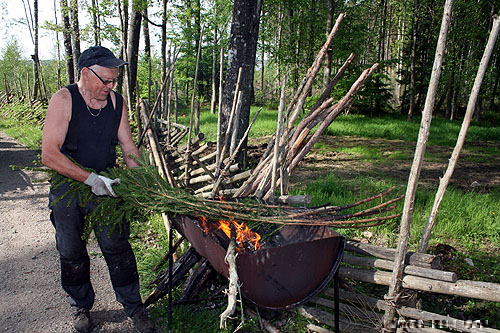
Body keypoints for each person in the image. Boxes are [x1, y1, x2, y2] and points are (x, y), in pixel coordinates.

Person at [41, 46, 154, 333]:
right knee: (71, 249)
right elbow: (50, 155)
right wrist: (91, 180)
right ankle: (80, 305)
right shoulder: (64, 100)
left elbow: (128, 146)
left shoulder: (116, 103)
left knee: (118, 246)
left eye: (114, 80)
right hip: (68, 186)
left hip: (108, 184)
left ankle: (134, 307)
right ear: (84, 73)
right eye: (105, 80)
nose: (110, 86)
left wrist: (142, 181)